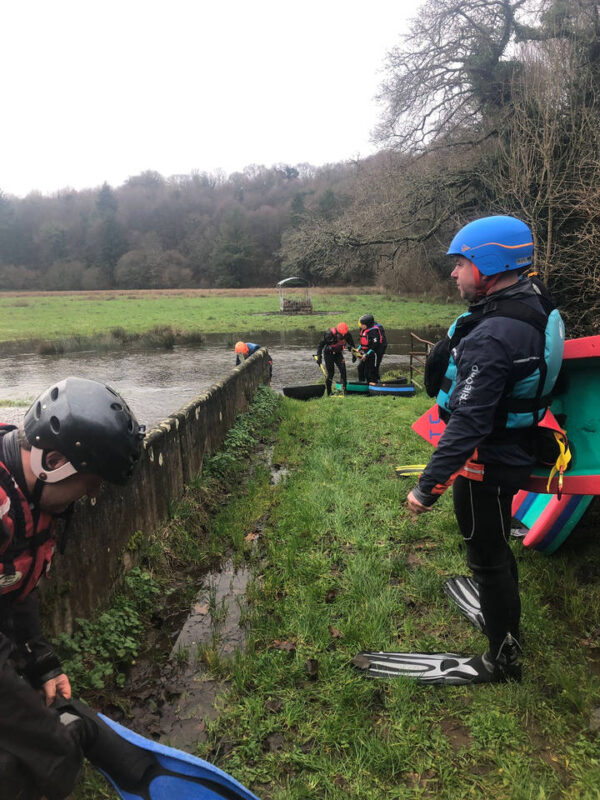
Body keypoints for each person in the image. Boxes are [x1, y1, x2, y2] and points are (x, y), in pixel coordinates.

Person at [405, 215, 564, 684]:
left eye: (461, 262)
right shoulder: (527, 302)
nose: (454, 273)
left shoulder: (495, 336)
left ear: (489, 263)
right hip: (511, 452)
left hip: (487, 465)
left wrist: (426, 487)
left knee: (486, 557)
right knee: (494, 547)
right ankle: (507, 628)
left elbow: (470, 422)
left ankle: (503, 658)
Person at [0, 377, 145, 798]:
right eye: (90, 484)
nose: (91, 495)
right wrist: (46, 742)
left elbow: (15, 584)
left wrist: (40, 661)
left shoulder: (34, 496)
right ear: (55, 461)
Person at [316, 323, 355, 395]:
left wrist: (354, 355)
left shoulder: (347, 334)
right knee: (331, 373)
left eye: (344, 334)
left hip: (338, 354)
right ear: (337, 331)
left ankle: (343, 390)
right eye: (341, 334)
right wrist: (319, 356)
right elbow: (320, 345)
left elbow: (352, 344)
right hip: (328, 354)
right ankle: (329, 392)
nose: (343, 336)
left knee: (343, 370)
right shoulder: (329, 334)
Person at [356, 314, 382, 384]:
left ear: (367, 324)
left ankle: (373, 386)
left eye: (362, 324)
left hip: (373, 354)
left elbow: (374, 346)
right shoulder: (364, 330)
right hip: (366, 353)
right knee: (360, 368)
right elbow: (363, 343)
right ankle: (362, 383)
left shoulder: (373, 332)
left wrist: (366, 355)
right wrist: (358, 349)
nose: (360, 326)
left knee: (369, 372)